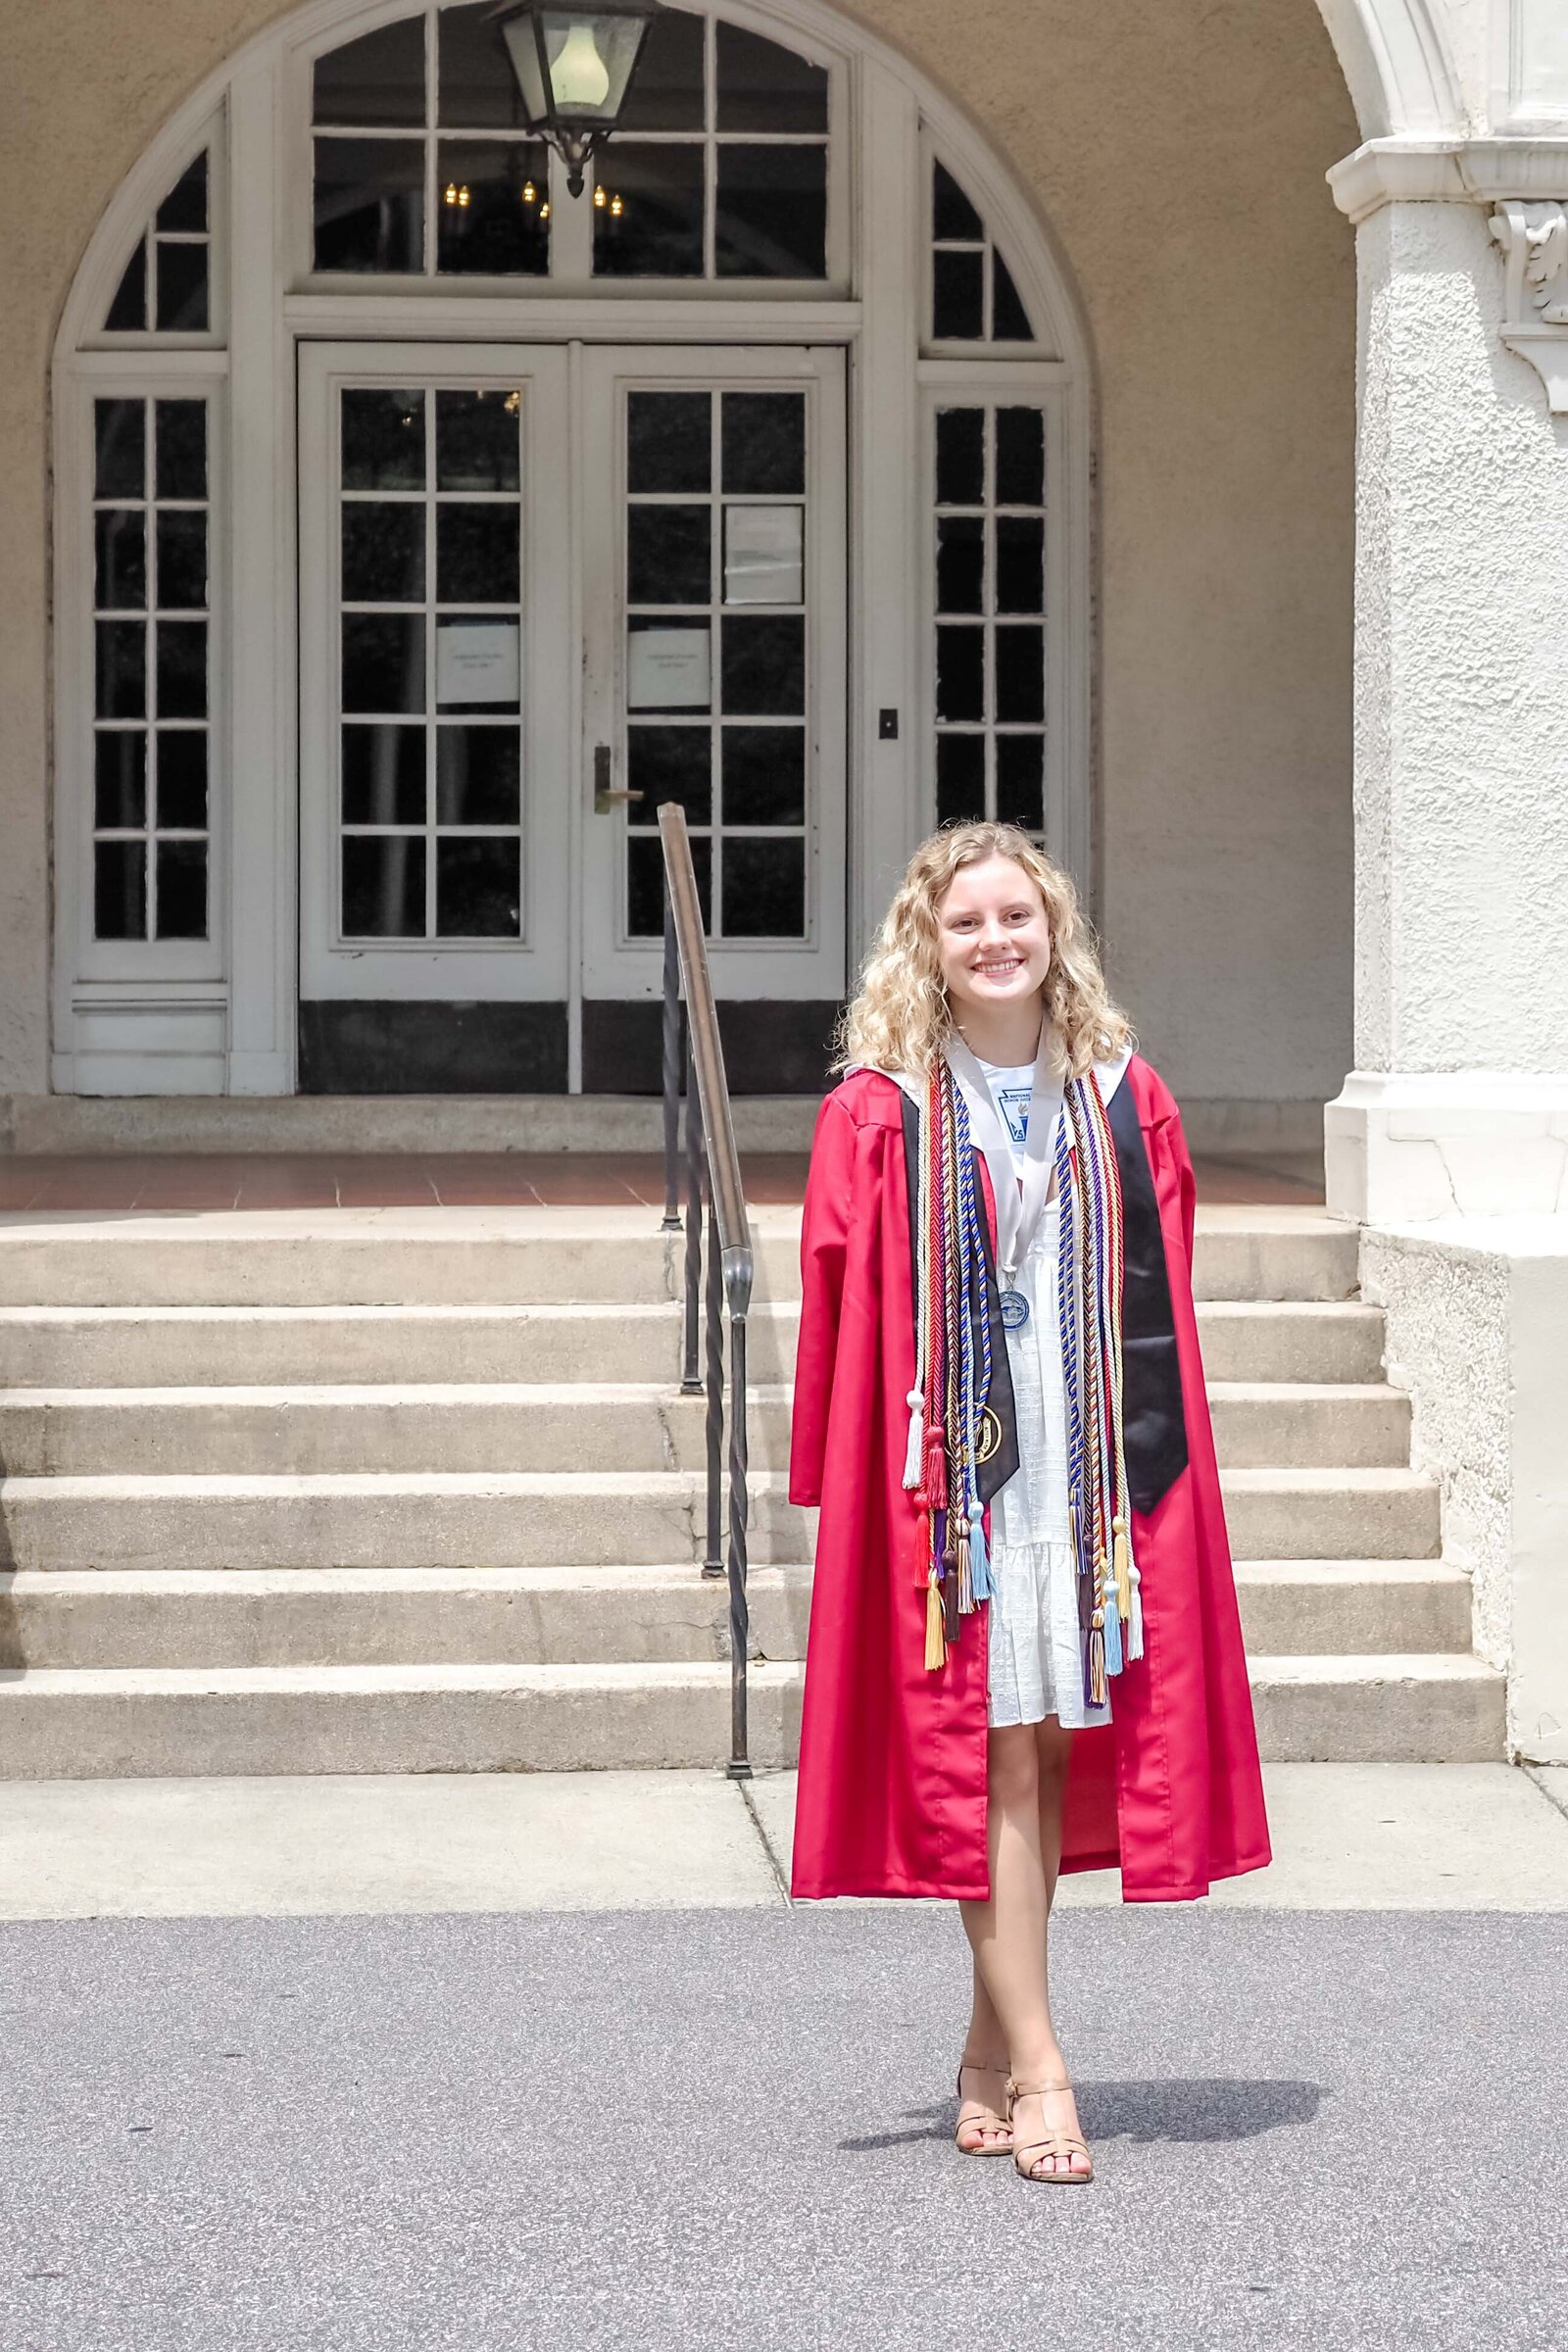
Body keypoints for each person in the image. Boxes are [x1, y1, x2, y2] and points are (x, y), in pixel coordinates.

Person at [788, 822, 1270, 2184]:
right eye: (966, 923)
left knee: (1050, 1750)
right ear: (925, 949)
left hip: (1088, 1463)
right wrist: (840, 1479)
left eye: (1017, 916)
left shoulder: (1119, 1090)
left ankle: (988, 2050)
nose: (996, 940)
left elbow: (1161, 1285)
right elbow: (840, 1301)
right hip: (955, 1475)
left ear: (1052, 930)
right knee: (995, 1752)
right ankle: (1051, 2064)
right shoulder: (884, 1107)